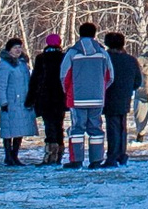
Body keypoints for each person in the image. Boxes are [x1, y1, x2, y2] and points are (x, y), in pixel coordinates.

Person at [60, 24, 115, 169]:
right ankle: (96, 160)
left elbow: (64, 75)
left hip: (77, 98)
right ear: (95, 34)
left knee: (77, 129)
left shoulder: (72, 53)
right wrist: (100, 89)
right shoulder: (103, 53)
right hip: (97, 98)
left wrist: (68, 91)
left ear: (79, 34)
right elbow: (110, 76)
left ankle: (76, 160)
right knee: (96, 129)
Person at [0, 39, 36, 165]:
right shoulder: (5, 65)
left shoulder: (23, 63)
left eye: (19, 47)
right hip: (11, 102)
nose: (18, 50)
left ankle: (15, 155)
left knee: (20, 129)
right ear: (9, 50)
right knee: (9, 129)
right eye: (15, 48)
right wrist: (3, 102)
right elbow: (1, 85)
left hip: (22, 101)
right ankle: (8, 156)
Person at [28, 33, 68, 160]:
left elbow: (35, 79)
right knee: (59, 124)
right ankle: (60, 152)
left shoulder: (41, 58)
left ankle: (50, 154)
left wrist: (30, 98)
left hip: (45, 97)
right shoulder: (64, 58)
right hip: (61, 97)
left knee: (49, 125)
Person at [104, 32, 140, 167]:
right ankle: (122, 154)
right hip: (124, 96)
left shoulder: (106, 59)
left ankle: (112, 156)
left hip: (109, 96)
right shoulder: (131, 60)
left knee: (112, 126)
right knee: (122, 125)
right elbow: (138, 81)